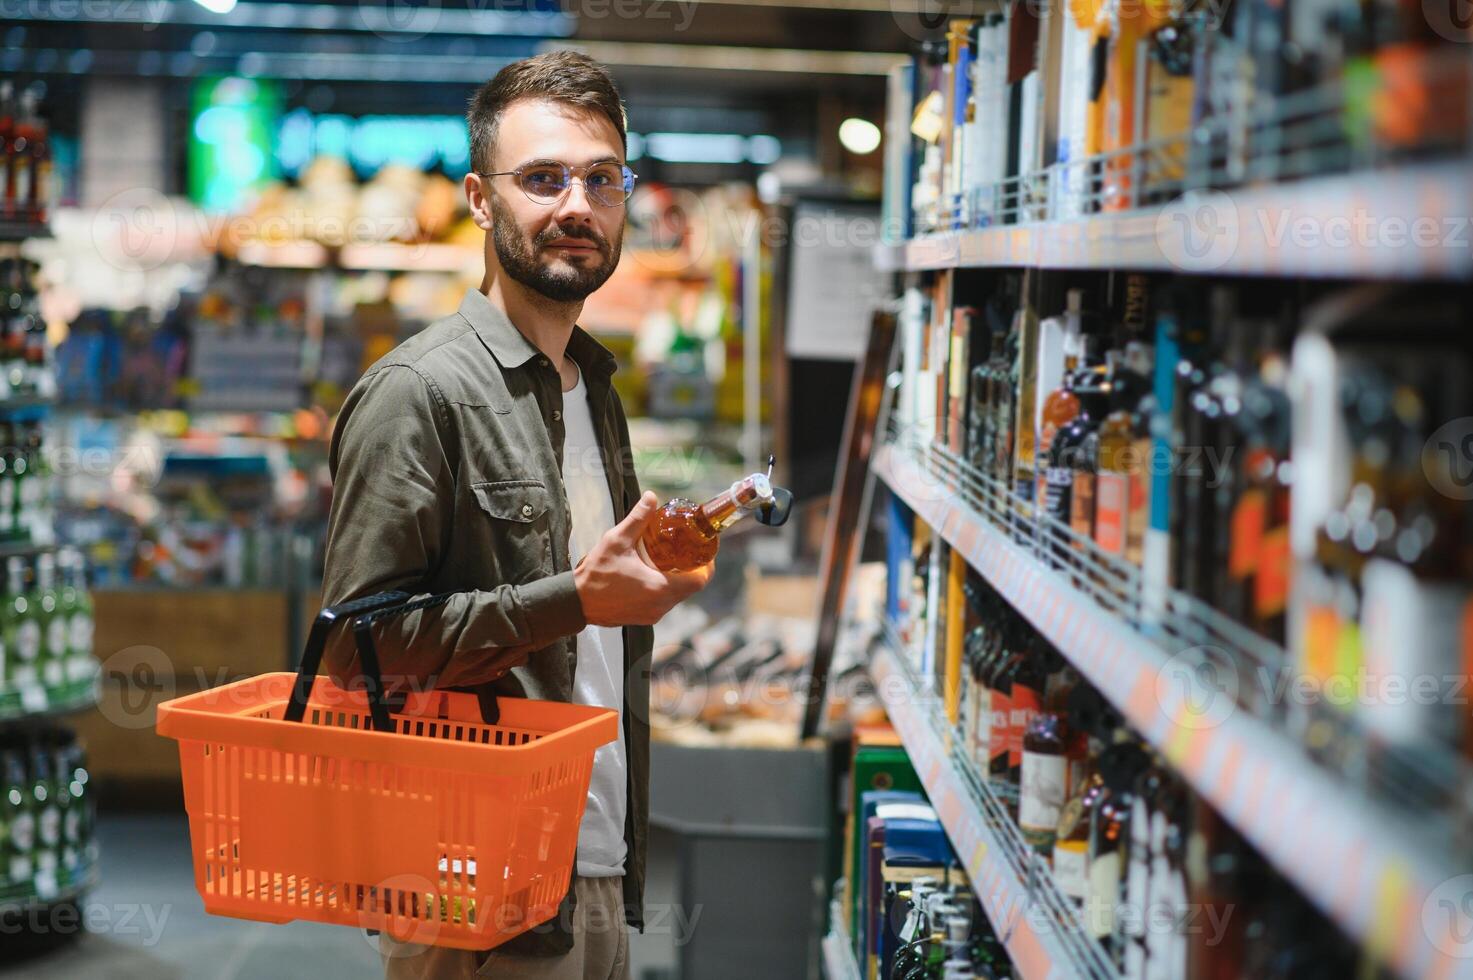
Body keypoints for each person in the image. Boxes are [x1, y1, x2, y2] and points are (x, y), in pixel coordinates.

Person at [320, 50, 714, 979]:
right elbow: (354, 649)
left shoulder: (595, 385)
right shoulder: (419, 392)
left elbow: (583, 613)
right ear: (481, 199)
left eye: (601, 178)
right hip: (472, 882)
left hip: (599, 860)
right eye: (541, 179)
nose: (576, 204)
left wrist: (646, 574)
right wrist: (576, 596)